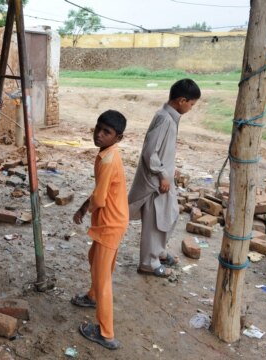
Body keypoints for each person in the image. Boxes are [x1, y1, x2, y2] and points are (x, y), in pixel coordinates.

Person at [128, 79, 201, 277]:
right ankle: (148, 264)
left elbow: (162, 151)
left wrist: (170, 168)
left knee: (170, 214)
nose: (191, 108)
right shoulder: (164, 119)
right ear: (181, 100)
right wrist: (161, 173)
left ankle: (158, 252)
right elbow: (150, 152)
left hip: (164, 176)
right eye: (191, 104)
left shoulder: (171, 117)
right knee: (155, 222)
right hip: (156, 181)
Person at [71, 110, 128, 350]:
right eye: (98, 128)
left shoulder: (107, 159)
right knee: (94, 258)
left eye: (107, 132)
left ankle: (106, 334)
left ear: (118, 137)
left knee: (102, 277)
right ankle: (92, 297)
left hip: (110, 224)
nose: (99, 135)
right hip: (111, 221)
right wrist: (85, 208)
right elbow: (100, 193)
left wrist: (84, 208)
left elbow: (100, 199)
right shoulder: (108, 153)